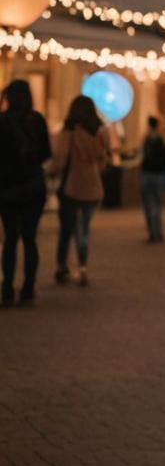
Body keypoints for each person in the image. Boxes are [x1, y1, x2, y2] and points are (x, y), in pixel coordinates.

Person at [0, 80, 52, 308]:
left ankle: (8, 288)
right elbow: (45, 154)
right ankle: (28, 287)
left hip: (7, 189)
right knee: (30, 239)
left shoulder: (2, 121)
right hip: (33, 188)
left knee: (10, 240)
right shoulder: (38, 120)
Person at [51, 95, 110, 287]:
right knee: (83, 230)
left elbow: (60, 158)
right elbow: (103, 161)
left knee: (66, 230)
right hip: (92, 187)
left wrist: (51, 172)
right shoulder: (98, 132)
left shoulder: (69, 131)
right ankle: (83, 267)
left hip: (71, 186)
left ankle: (62, 266)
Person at [139, 115, 165, 243]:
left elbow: (143, 158)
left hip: (147, 175)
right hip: (158, 175)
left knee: (148, 206)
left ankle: (152, 232)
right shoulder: (162, 140)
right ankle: (158, 232)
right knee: (157, 205)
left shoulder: (146, 140)